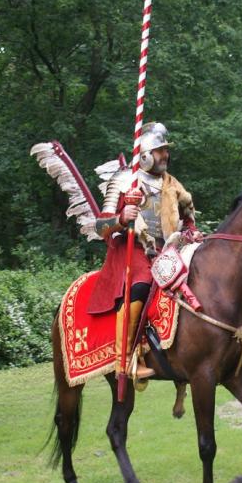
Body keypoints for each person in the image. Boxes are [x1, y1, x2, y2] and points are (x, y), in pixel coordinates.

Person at [88, 122, 200, 379]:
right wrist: (122, 218)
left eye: (166, 151)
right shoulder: (126, 180)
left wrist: (192, 231)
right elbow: (100, 226)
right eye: (160, 151)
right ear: (146, 153)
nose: (165, 156)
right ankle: (125, 359)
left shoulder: (173, 185)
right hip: (133, 248)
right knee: (141, 285)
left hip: (169, 250)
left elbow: (189, 218)